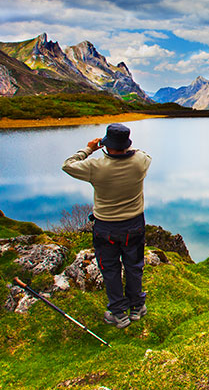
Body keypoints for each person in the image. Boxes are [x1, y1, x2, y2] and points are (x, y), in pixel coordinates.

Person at [62, 123, 152, 329]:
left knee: (110, 269)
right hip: (134, 224)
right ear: (127, 144)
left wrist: (89, 148)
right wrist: (125, 146)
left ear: (106, 144)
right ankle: (137, 307)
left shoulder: (95, 167)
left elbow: (67, 165)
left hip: (106, 227)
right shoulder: (140, 163)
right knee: (134, 266)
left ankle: (119, 313)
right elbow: (144, 154)